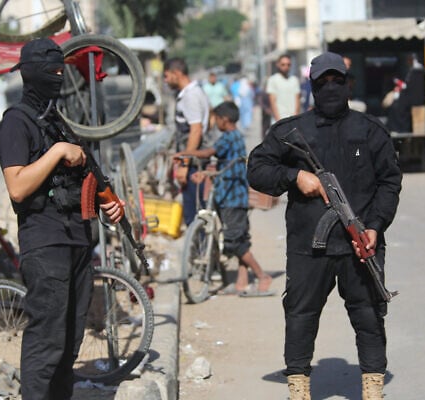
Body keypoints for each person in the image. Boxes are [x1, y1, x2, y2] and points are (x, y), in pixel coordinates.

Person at [247, 52, 402, 400]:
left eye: (337, 81)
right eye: (323, 82)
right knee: (300, 316)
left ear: (349, 85)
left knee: (369, 316)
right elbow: (257, 169)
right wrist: (294, 176)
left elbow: (389, 182)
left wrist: (376, 226)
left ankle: (372, 389)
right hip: (309, 246)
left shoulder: (370, 131)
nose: (331, 88)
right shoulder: (291, 131)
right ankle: (299, 389)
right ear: (313, 87)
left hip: (360, 244)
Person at [0, 38, 123, 400]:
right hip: (45, 242)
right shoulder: (16, 123)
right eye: (50, 71)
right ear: (30, 73)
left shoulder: (56, 120)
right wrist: (57, 152)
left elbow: (77, 178)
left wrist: (107, 201)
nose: (58, 77)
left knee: (69, 339)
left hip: (77, 239)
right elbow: (18, 187)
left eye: (60, 70)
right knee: (47, 339)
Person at [174, 101, 273, 296]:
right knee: (240, 239)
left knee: (233, 241)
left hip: (232, 199)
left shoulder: (229, 137)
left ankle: (262, 275)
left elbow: (208, 152)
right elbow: (224, 164)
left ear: (224, 120)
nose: (215, 123)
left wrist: (186, 153)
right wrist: (206, 173)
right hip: (230, 196)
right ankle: (241, 283)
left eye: (217, 119)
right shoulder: (235, 137)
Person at [163, 57, 212, 225]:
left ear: (177, 73)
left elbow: (196, 130)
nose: (165, 80)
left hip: (193, 165)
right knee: (198, 212)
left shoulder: (190, 96)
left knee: (194, 217)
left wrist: (184, 164)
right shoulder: (195, 92)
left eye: (167, 76)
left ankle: (200, 242)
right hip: (195, 161)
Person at [266, 54, 301, 123]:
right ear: (278, 65)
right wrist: (279, 121)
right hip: (279, 120)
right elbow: (272, 102)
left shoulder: (294, 80)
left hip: (292, 120)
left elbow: (297, 100)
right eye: (283, 64)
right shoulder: (273, 80)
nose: (286, 67)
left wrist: (295, 118)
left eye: (288, 65)